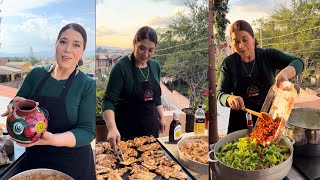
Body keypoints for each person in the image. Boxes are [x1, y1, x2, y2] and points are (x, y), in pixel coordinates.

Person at [1, 23, 96, 180]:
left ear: (82, 52)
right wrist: (14, 105)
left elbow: (88, 131)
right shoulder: (36, 74)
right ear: (56, 44)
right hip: (36, 159)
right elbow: (17, 103)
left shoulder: (87, 84)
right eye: (63, 42)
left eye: (76, 45)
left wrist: (52, 139)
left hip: (73, 164)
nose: (68, 49)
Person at [217, 20, 304, 134]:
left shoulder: (268, 55)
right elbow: (220, 93)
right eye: (236, 41)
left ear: (253, 38)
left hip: (268, 120)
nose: (241, 45)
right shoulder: (229, 63)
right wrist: (229, 99)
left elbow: (299, 62)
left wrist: (285, 73)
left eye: (245, 39)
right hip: (239, 124)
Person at [102, 26, 166, 149]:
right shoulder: (121, 67)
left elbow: (156, 97)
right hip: (127, 132)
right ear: (134, 43)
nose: (146, 54)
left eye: (151, 50)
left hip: (150, 130)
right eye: (142, 48)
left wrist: (162, 117)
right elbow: (108, 101)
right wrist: (111, 128)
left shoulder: (155, 66)